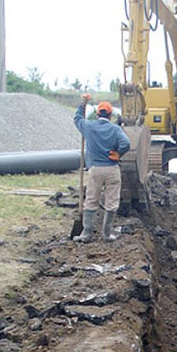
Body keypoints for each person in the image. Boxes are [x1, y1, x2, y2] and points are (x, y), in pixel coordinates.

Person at [73, 94, 131, 243]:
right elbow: (126, 143)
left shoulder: (89, 126)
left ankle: (87, 233)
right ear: (110, 115)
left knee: (91, 200)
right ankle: (106, 233)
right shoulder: (115, 129)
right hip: (112, 169)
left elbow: (77, 118)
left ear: (98, 113)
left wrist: (83, 103)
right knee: (112, 202)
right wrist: (118, 154)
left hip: (95, 169)